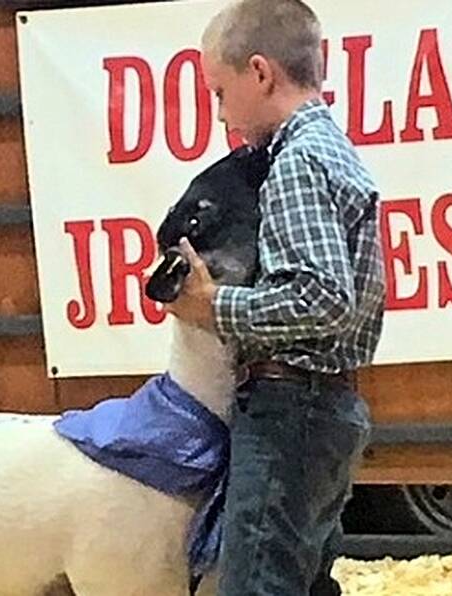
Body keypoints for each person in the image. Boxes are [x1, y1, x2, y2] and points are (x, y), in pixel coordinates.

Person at [164, 1, 386, 594]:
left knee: (259, 585)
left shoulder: (296, 163)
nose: (219, 112)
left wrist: (216, 307)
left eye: (218, 91)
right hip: (325, 406)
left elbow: (322, 297)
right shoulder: (330, 150)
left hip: (293, 407)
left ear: (260, 74)